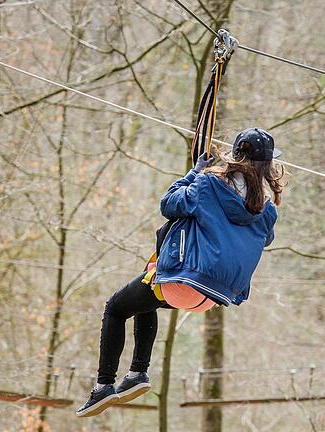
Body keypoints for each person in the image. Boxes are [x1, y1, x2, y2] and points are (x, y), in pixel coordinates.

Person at [76, 128, 284, 417]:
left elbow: (169, 204)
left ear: (236, 156)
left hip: (183, 282)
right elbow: (265, 237)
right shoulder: (267, 209)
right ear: (268, 165)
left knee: (115, 308)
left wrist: (194, 174)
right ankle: (137, 374)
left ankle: (103, 385)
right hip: (212, 296)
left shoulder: (210, 185)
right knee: (145, 291)